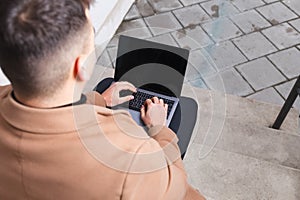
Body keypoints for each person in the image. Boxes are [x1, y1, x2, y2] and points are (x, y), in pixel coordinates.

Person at [0, 0, 205, 199]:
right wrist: (160, 129)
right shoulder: (131, 157)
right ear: (80, 67)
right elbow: (177, 190)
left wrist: (96, 100)